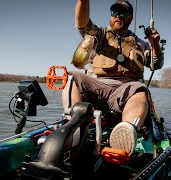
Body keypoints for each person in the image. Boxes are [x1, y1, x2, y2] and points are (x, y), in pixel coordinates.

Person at [62, 0, 164, 155]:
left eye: (122, 13)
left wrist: (155, 44)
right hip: (96, 86)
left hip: (126, 90)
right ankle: (73, 127)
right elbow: (82, 23)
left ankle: (125, 132)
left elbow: (155, 65)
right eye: (114, 13)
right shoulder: (99, 34)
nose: (117, 16)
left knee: (141, 90)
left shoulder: (141, 44)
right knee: (73, 78)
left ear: (130, 18)